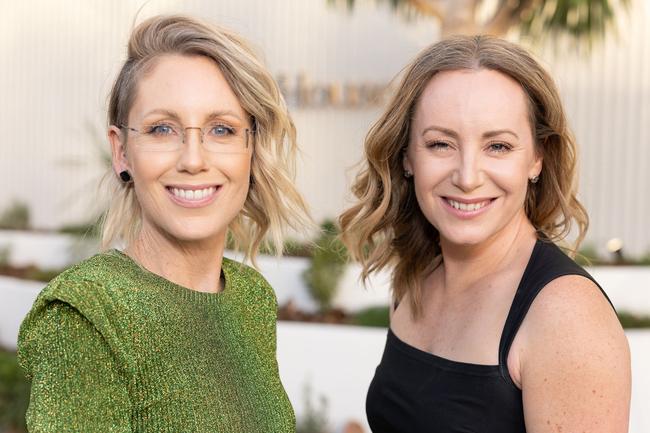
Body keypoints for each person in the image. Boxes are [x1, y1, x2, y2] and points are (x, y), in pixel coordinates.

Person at [18, 14, 310, 432]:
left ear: (252, 148)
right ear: (121, 153)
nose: (193, 159)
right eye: (162, 129)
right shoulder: (86, 314)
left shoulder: (251, 298)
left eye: (222, 129)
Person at [340, 35, 630, 433]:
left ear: (537, 158)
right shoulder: (418, 272)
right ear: (407, 156)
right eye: (441, 144)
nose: (467, 177)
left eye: (497, 146)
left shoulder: (566, 317)